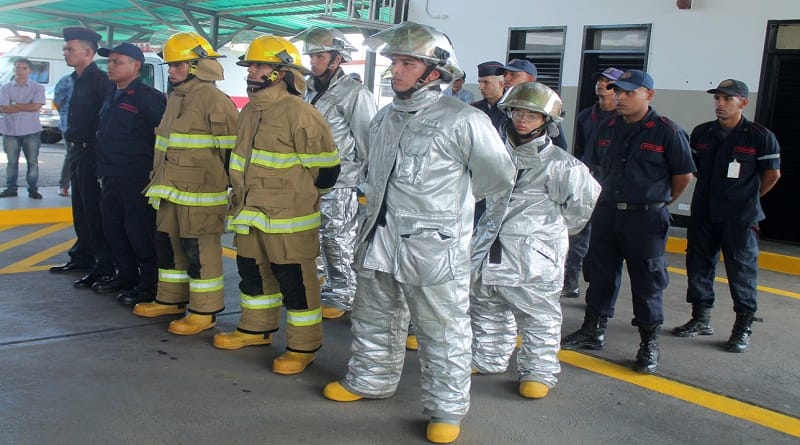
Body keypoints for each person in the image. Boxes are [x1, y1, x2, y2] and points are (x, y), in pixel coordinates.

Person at [322, 22, 515, 444]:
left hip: (433, 249)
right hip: (379, 238)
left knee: (441, 330)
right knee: (374, 316)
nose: (396, 71)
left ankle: (447, 409)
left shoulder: (465, 120)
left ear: (436, 72)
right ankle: (371, 379)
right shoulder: (386, 117)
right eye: (395, 63)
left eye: (408, 63)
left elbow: (497, 180)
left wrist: (454, 225)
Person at [214, 36, 339, 375]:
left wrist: (298, 197)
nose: (252, 71)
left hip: (289, 219)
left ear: (282, 72)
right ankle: (256, 329)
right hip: (250, 212)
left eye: (261, 65)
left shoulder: (301, 113)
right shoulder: (250, 112)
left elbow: (327, 170)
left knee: (295, 282)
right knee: (253, 275)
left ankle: (303, 346)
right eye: (251, 65)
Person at [561, 70, 696, 374]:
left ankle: (648, 343)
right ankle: (593, 330)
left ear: (648, 95)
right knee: (600, 273)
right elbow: (594, 166)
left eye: (628, 92)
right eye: (617, 91)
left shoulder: (667, 132)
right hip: (608, 212)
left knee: (647, 280)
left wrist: (658, 202)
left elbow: (683, 176)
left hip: (646, 217)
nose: (620, 97)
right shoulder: (606, 126)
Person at [470, 82, 599, 399]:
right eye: (518, 112)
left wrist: (541, 239)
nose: (522, 120)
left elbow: (580, 211)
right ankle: (487, 356)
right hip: (487, 250)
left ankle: (538, 371)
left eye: (532, 115)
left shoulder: (563, 165)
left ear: (547, 122)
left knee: (538, 316)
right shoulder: (493, 156)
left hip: (534, 259)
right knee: (486, 306)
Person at [132, 32, 238, 336]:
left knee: (199, 252)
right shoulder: (176, 98)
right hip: (170, 191)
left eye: (179, 65)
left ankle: (204, 311)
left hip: (201, 195)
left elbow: (231, 153)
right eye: (171, 66)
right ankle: (170, 300)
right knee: (169, 247)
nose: (172, 70)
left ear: (197, 66)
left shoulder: (215, 101)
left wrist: (229, 190)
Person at [674, 79, 781, 353]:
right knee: (699, 265)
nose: (720, 104)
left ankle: (742, 327)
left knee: (741, 270)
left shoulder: (759, 135)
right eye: (717, 99)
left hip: (740, 218)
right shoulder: (702, 133)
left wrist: (748, 198)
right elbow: (694, 168)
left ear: (743, 103)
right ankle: (700, 319)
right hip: (705, 213)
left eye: (727, 99)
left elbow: (771, 174)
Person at [291, 26, 378, 319]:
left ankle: (342, 293)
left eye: (320, 55)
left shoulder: (354, 94)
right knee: (307, 237)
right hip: (305, 181)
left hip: (341, 181)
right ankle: (313, 286)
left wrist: (366, 181)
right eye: (311, 55)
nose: (313, 61)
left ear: (337, 59)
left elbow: (368, 140)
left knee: (337, 238)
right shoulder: (306, 90)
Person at [92, 43, 166, 305]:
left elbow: (161, 139)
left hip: (136, 178)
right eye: (109, 62)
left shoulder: (148, 97)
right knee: (114, 229)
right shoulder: (113, 94)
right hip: (111, 175)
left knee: (139, 232)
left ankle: (149, 285)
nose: (111, 66)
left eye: (117, 62)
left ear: (136, 65)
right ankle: (125, 276)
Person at [49, 28, 116, 287]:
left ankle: (103, 264)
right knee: (80, 208)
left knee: (94, 210)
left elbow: (105, 121)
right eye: (65, 49)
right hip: (76, 150)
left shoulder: (100, 81)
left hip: (92, 152)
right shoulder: (74, 80)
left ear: (88, 52)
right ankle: (82, 256)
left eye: (70, 49)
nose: (65, 53)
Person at [561, 67, 623, 299]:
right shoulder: (587, 115)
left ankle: (595, 285)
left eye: (608, 82)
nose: (601, 84)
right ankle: (571, 280)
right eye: (599, 80)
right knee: (578, 232)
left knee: (602, 240)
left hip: (611, 183)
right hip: (587, 178)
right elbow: (580, 146)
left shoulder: (622, 118)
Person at [497, 59, 568, 150]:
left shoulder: (544, 108)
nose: (506, 79)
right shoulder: (501, 105)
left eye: (513, 75)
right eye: (505, 75)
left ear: (530, 79)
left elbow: (559, 147)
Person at [0, 58, 45, 199]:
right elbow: (4, 108)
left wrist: (14, 104)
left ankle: (33, 189)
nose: (20, 71)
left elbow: (36, 107)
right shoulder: (5, 87)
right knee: (12, 162)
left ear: (30, 70)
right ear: (13, 70)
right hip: (10, 130)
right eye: (17, 68)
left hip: (31, 131)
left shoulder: (38, 88)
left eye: (24, 68)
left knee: (32, 162)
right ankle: (11, 189)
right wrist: (25, 106)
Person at [54, 73, 74, 197]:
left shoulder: (99, 79)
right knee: (71, 154)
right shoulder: (66, 80)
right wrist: (65, 114)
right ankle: (64, 185)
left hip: (92, 126)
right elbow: (57, 102)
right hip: (69, 125)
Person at [471, 61, 506, 132]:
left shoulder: (510, 111)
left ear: (501, 84)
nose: (481, 87)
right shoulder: (474, 108)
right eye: (479, 82)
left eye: (486, 82)